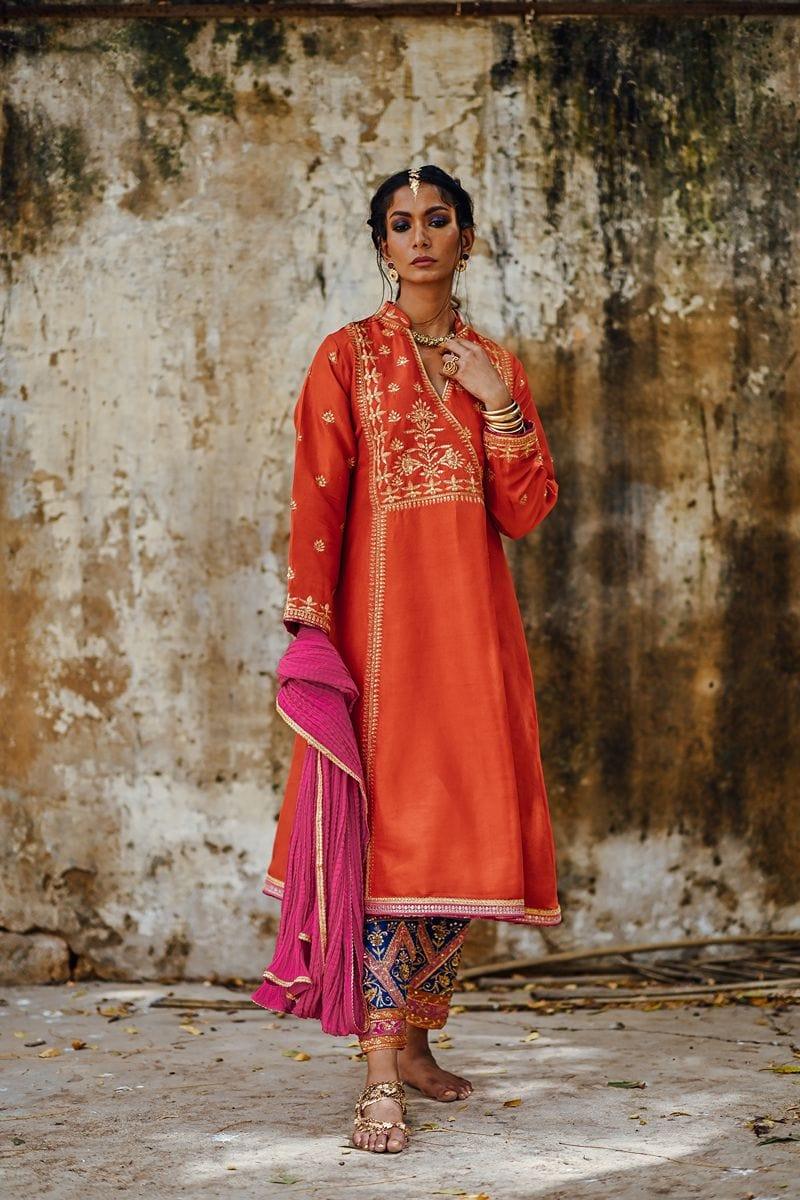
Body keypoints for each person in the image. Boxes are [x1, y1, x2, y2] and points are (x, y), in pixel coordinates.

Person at [263, 164, 561, 1154]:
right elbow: (316, 497)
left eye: (438, 220)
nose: (421, 236)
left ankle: (421, 1043)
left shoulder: (494, 364)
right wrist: (312, 631)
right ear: (382, 244)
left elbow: (524, 510)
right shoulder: (346, 356)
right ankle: (379, 1075)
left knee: (462, 835)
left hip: (473, 640)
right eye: (401, 223)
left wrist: (498, 403)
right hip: (384, 644)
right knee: (393, 839)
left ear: (465, 239)